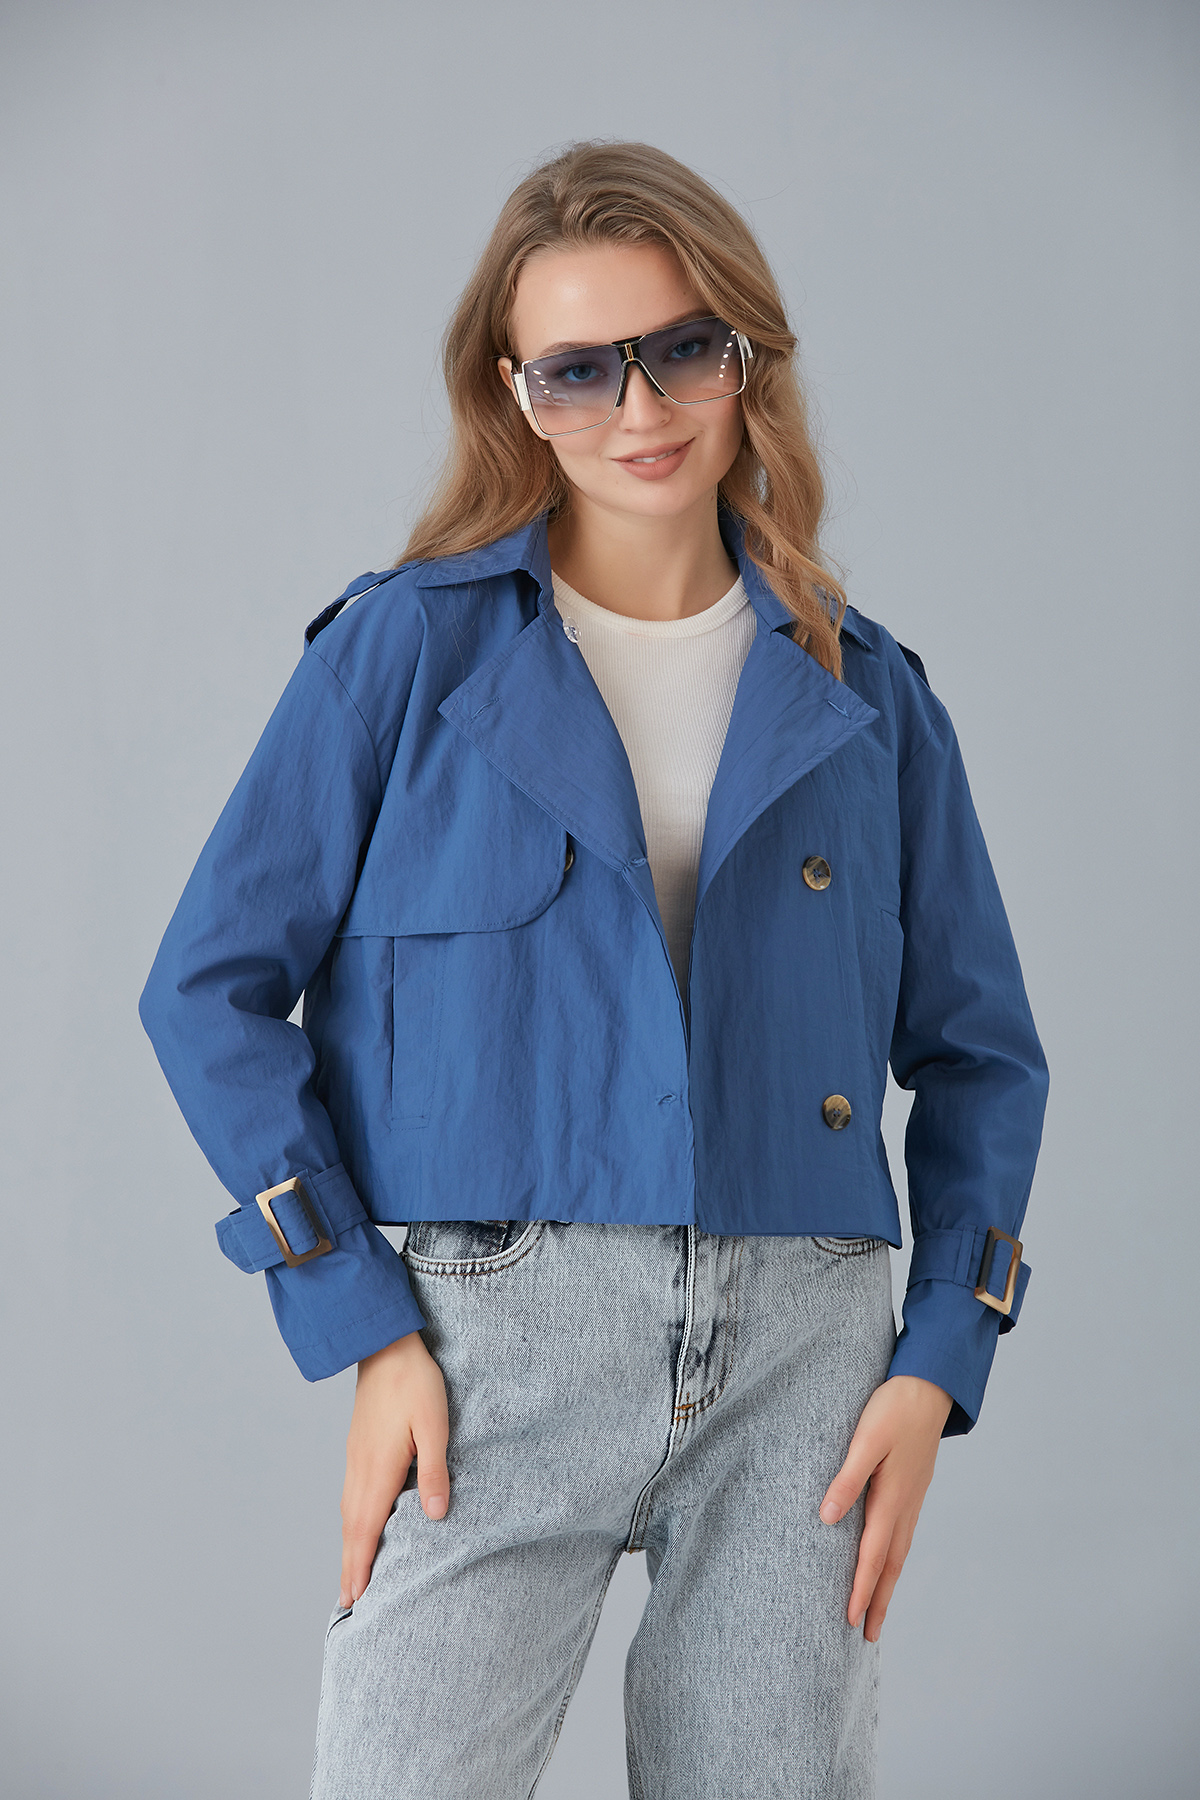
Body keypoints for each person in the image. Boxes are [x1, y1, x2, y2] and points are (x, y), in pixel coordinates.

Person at [138, 140, 1048, 1800]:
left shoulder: (871, 695)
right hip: (490, 1344)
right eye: (579, 369)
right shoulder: (406, 652)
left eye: (683, 348)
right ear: (516, 393)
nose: (641, 409)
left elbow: (983, 1054)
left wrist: (937, 1363)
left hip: (804, 1362)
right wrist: (361, 1323)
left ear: (746, 356)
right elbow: (205, 987)